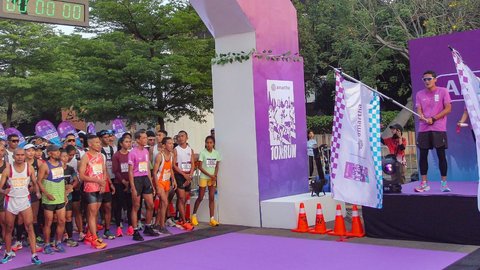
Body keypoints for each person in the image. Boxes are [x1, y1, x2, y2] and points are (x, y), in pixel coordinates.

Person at [0, 148, 42, 265]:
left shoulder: (30, 168)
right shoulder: (8, 170)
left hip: (24, 201)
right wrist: (4, 192)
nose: (20, 157)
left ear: (24, 156)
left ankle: (34, 255)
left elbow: (35, 182)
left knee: (29, 226)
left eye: (22, 155)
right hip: (11, 201)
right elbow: (0, 187)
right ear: (13, 156)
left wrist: (37, 191)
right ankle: (8, 253)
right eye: (17, 155)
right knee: (9, 227)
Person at [415, 70, 452, 192]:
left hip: (438, 128)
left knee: (441, 156)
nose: (427, 81)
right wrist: (421, 115)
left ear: (435, 79)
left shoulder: (443, 91)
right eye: (424, 79)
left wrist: (434, 118)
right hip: (424, 129)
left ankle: (444, 184)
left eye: (429, 79)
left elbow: (448, 109)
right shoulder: (419, 94)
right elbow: (419, 109)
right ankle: (424, 183)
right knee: (423, 156)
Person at [129, 130, 159, 241]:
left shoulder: (146, 152)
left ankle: (148, 226)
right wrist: (132, 186)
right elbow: (130, 171)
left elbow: (147, 168)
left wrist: (151, 183)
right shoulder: (132, 152)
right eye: (144, 138)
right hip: (137, 180)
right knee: (136, 206)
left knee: (151, 205)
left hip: (145, 179)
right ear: (137, 140)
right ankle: (135, 230)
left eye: (146, 137)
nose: (146, 139)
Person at [78, 135, 107, 249]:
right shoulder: (86, 157)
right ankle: (95, 238)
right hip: (90, 187)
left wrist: (103, 184)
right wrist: (95, 180)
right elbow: (81, 175)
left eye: (99, 143)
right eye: (96, 143)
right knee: (92, 212)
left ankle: (90, 234)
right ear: (90, 144)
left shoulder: (101, 156)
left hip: (100, 187)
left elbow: (104, 171)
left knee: (95, 213)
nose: (99, 145)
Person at [36, 145, 67, 254]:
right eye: (56, 151)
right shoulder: (44, 166)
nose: (58, 153)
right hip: (49, 199)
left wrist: (64, 195)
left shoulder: (61, 164)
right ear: (49, 153)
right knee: (48, 222)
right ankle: (47, 244)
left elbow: (62, 180)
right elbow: (38, 181)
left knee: (62, 221)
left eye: (59, 151)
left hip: (60, 197)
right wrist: (46, 194)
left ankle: (58, 242)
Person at [191, 136, 221, 227]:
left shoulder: (216, 153)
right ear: (205, 143)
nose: (209, 144)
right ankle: (194, 216)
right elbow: (200, 167)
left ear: (213, 143)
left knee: (212, 197)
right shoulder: (203, 153)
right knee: (200, 196)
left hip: (212, 178)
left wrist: (215, 176)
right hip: (204, 177)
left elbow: (217, 165)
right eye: (207, 142)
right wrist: (210, 175)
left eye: (211, 142)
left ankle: (212, 218)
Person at [152, 136, 176, 234]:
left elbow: (171, 169)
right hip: (159, 181)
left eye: (172, 143)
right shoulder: (159, 156)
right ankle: (162, 226)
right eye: (169, 143)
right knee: (165, 202)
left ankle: (157, 224)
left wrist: (174, 180)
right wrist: (157, 186)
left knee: (162, 204)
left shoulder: (172, 155)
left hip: (167, 181)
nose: (172, 145)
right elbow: (154, 172)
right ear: (164, 145)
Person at [112, 136, 134, 237]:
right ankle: (118, 226)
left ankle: (130, 225)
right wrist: (123, 181)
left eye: (130, 142)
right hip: (119, 184)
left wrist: (130, 182)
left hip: (130, 183)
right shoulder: (116, 155)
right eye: (126, 142)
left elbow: (133, 169)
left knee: (130, 205)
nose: (128, 144)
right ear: (121, 143)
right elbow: (115, 171)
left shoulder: (131, 154)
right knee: (118, 205)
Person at [172, 131, 194, 230]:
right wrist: (184, 175)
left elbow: (193, 164)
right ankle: (184, 221)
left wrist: (190, 175)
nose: (180, 138)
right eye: (179, 137)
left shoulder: (190, 150)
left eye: (182, 136)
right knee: (181, 198)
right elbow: (173, 165)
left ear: (187, 137)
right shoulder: (176, 150)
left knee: (185, 199)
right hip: (179, 175)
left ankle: (181, 218)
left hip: (188, 175)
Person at [98, 130, 116, 240]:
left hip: (107, 181)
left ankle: (107, 230)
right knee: (95, 209)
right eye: (104, 137)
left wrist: (110, 183)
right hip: (95, 184)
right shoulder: (88, 155)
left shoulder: (110, 150)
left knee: (108, 206)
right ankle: (93, 232)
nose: (107, 139)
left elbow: (105, 170)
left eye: (108, 137)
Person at [60, 149, 79, 247]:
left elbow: (76, 180)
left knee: (68, 217)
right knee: (59, 218)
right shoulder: (55, 169)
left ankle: (70, 238)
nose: (65, 158)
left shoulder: (70, 169)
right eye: (63, 156)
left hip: (69, 196)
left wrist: (71, 186)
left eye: (66, 156)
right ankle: (60, 237)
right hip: (58, 197)